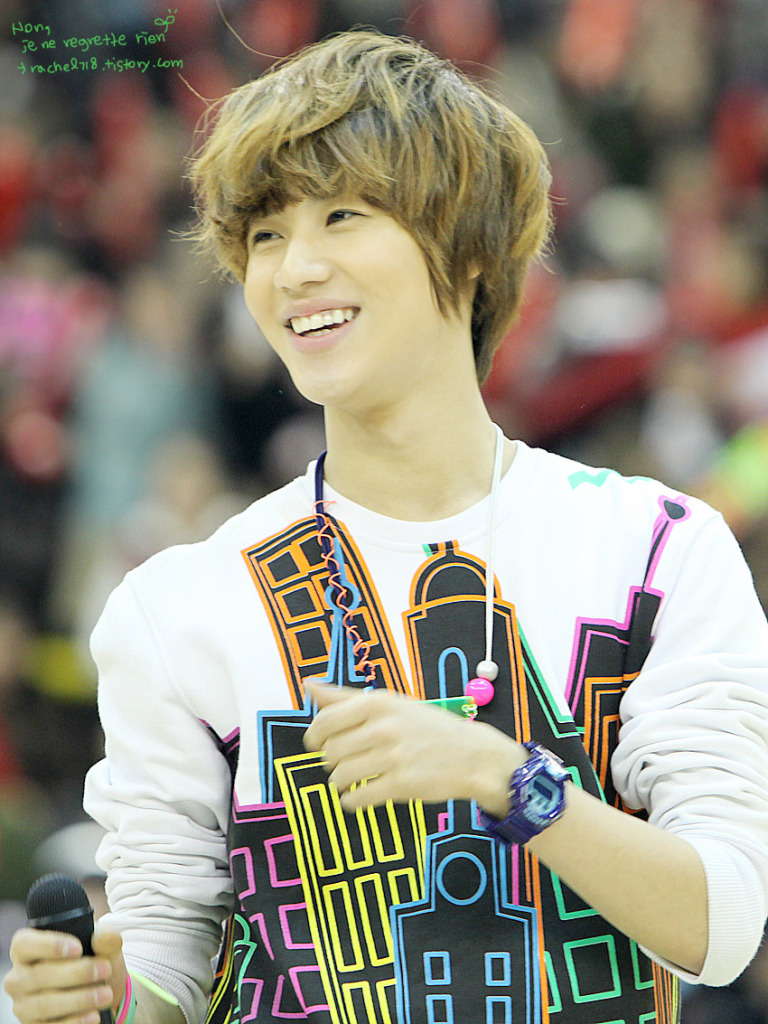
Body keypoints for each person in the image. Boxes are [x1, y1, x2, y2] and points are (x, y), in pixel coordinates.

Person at [6, 28, 768, 1024]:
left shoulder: (655, 548)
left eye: (341, 215)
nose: (294, 269)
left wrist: (505, 777)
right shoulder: (176, 605)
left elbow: (721, 921)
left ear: (468, 249)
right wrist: (99, 1001)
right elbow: (167, 961)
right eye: (265, 235)